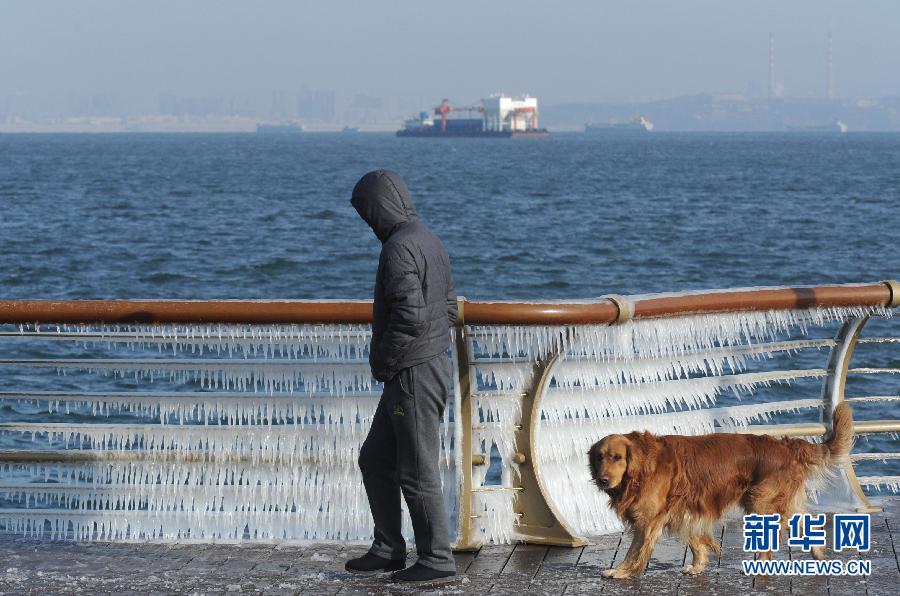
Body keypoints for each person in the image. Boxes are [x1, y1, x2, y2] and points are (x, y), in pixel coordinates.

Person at [344, 170, 458, 583]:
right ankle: (388, 547)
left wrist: (387, 362)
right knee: (375, 459)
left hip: (411, 371)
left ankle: (437, 560)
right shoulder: (429, 239)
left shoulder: (396, 249)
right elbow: (449, 308)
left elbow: (408, 318)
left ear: (378, 208)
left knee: (416, 468)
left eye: (366, 212)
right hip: (426, 364)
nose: (367, 221)